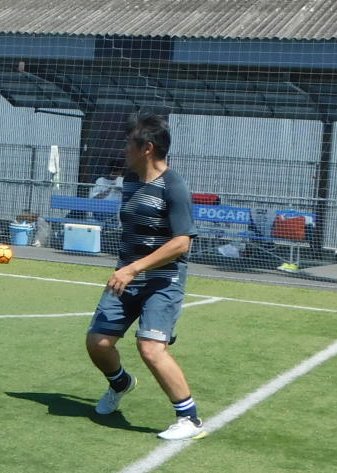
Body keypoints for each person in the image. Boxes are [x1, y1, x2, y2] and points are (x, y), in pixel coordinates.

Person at [85, 112, 205, 441]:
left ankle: (189, 419)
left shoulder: (174, 186)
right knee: (98, 343)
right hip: (126, 277)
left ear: (147, 148)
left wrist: (134, 268)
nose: (124, 148)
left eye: (129, 143)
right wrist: (128, 268)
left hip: (162, 280)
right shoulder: (131, 179)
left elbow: (182, 243)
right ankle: (121, 383)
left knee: (150, 347)